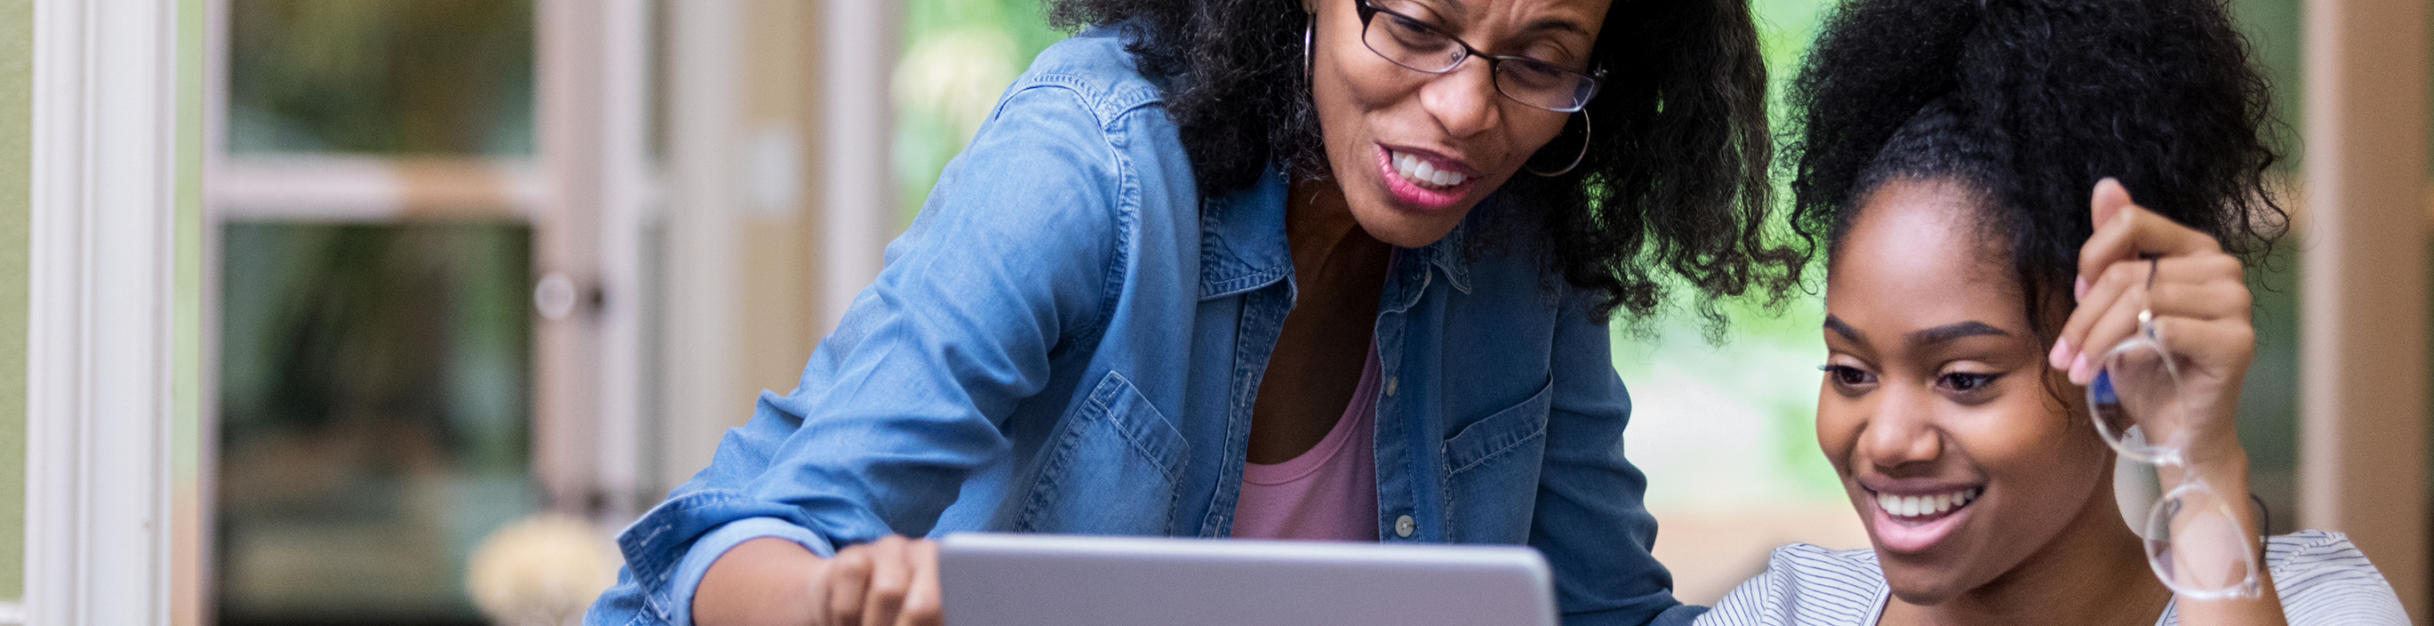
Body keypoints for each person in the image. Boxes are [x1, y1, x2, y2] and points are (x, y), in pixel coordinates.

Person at [584, 0, 1799, 624]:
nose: (1467, 110)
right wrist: (834, 600)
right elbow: (730, 539)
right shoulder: (1088, 172)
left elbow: (1604, 616)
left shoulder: (1521, 236)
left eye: (1538, 58)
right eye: (1417, 27)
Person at [1696, 0, 2409, 624]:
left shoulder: (2311, 606)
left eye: (1964, 378)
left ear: (2118, 368)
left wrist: (2201, 458)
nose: (1886, 440)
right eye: (1851, 372)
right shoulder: (1786, 610)